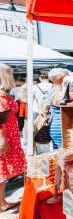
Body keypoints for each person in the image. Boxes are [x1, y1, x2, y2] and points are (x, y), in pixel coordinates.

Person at [0, 63, 26, 212]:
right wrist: (3, 141)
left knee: (2, 171)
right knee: (1, 170)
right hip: (5, 137)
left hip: (8, 135)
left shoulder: (3, 94)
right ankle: (2, 203)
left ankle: (2, 202)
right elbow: (0, 120)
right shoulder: (2, 96)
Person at [47, 68, 69, 150]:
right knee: (64, 154)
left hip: (56, 124)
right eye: (67, 77)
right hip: (60, 126)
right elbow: (69, 107)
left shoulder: (53, 89)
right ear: (60, 79)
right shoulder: (60, 93)